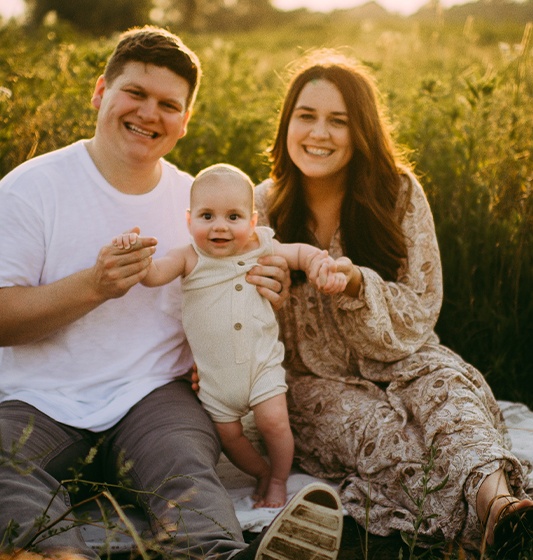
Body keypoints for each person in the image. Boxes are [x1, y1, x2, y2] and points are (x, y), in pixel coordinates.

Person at [0, 27, 344, 560]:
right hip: (37, 400)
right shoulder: (32, 188)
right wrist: (92, 287)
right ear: (100, 92)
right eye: (135, 93)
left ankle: (219, 554)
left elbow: (250, 280)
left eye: (168, 104)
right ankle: (61, 555)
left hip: (153, 394)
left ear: (184, 122)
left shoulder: (203, 203)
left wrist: (266, 290)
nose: (148, 114)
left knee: (185, 468)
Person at [250, 48, 533, 557]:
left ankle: (502, 510)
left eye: (338, 121)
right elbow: (238, 317)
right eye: (306, 116)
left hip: (407, 356)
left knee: (453, 404)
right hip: (316, 382)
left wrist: (360, 285)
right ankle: (490, 531)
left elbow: (423, 304)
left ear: (361, 131)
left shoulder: (398, 192)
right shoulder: (260, 205)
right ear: (286, 124)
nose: (319, 133)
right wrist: (261, 298)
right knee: (384, 435)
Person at [112, 162, 347, 510]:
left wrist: (317, 263)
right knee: (229, 438)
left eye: (233, 217)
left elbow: (297, 252)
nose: (219, 226)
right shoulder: (188, 258)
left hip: (260, 365)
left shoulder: (260, 247)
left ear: (252, 222)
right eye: (207, 216)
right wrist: (136, 254)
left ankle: (279, 479)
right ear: (189, 220)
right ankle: (261, 472)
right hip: (216, 380)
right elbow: (154, 275)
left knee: (274, 423)